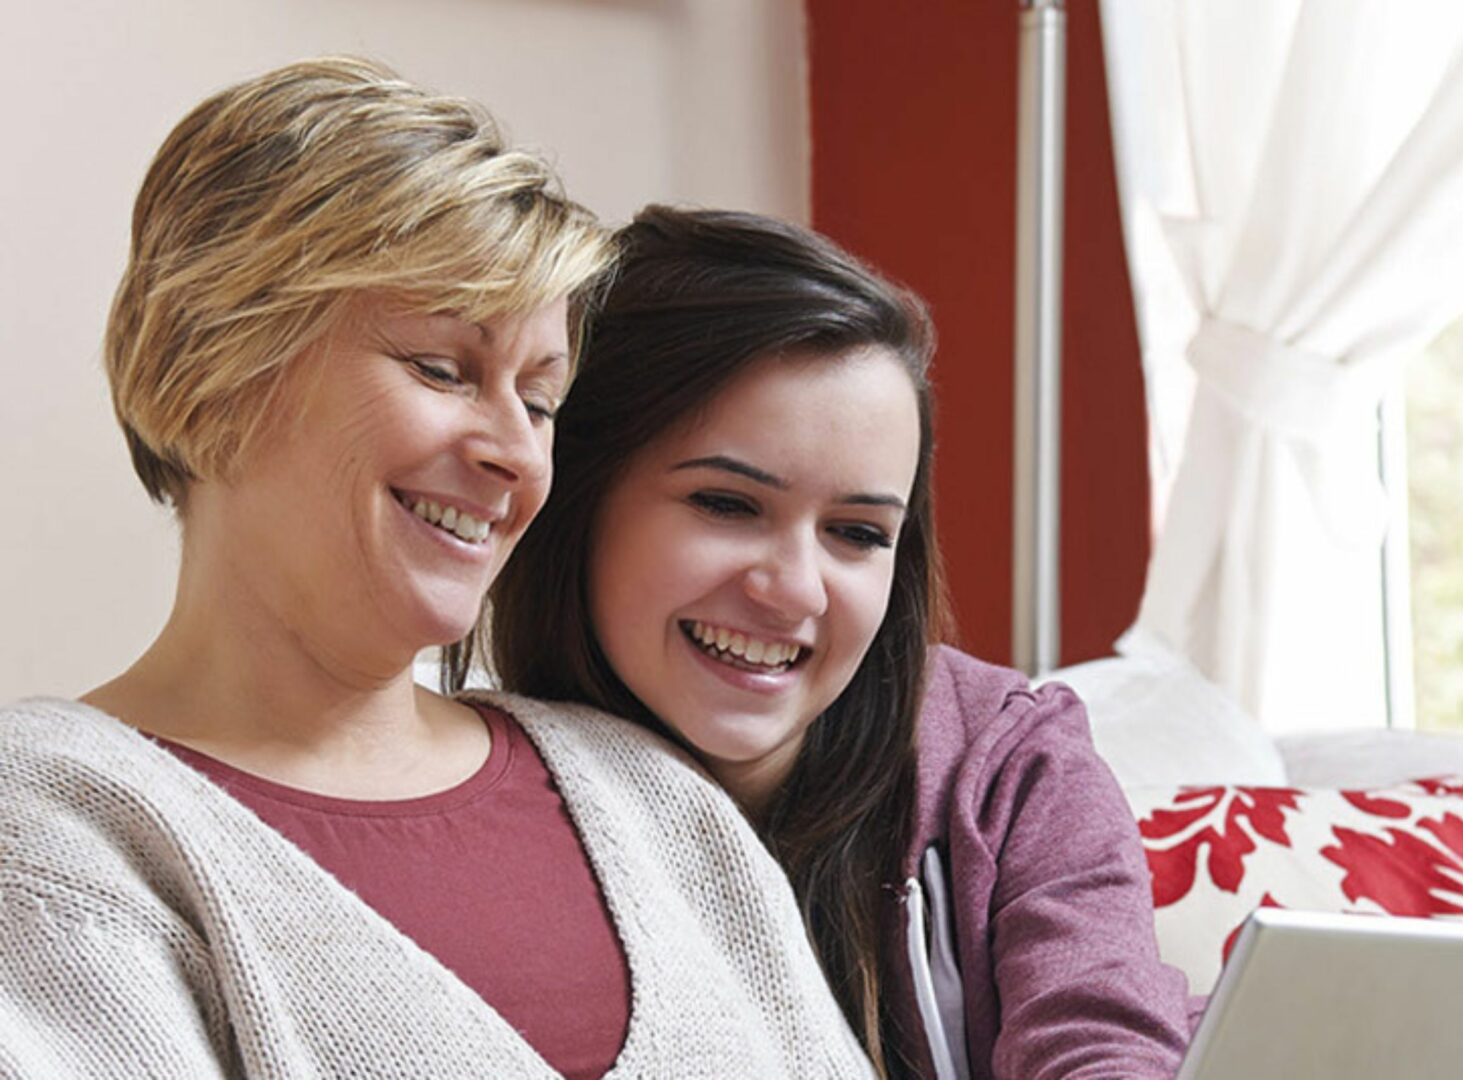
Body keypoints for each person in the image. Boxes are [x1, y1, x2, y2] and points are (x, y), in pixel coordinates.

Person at [0, 61, 872, 1079]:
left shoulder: (652, 798)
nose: (515, 452)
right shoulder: (54, 830)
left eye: (540, 401)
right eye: (443, 369)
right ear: (217, 372)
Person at [472, 206, 1194, 1078]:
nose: (795, 589)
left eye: (857, 532)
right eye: (727, 505)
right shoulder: (466, 792)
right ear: (578, 500)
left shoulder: (1006, 768)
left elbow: (1106, 1045)